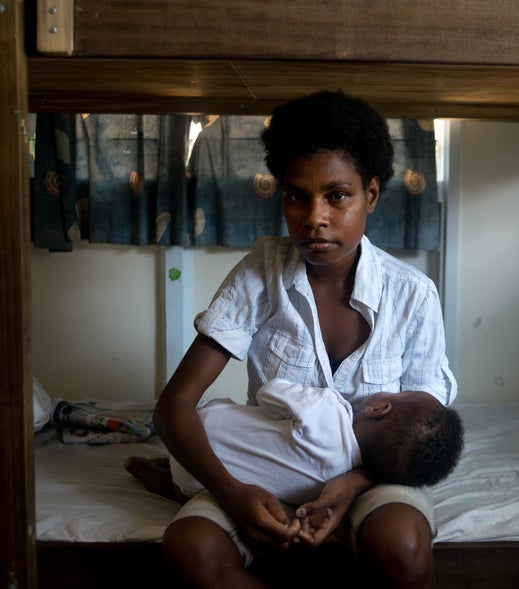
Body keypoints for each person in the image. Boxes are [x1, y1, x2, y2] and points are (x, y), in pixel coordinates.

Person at [153, 90, 458, 589]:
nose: (313, 216)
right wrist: (232, 494)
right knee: (190, 549)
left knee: (401, 546)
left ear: (372, 196)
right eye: (296, 195)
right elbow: (174, 408)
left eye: (337, 196)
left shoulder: (413, 295)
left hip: (368, 481)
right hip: (264, 469)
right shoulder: (260, 274)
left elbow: (422, 430)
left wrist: (351, 482)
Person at [126, 377, 463, 508]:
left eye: (400, 390)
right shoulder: (336, 482)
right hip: (194, 485)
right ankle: (155, 476)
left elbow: (268, 392)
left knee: (234, 413)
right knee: (181, 485)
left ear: (378, 408)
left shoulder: (329, 410)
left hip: (196, 433)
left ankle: (156, 463)